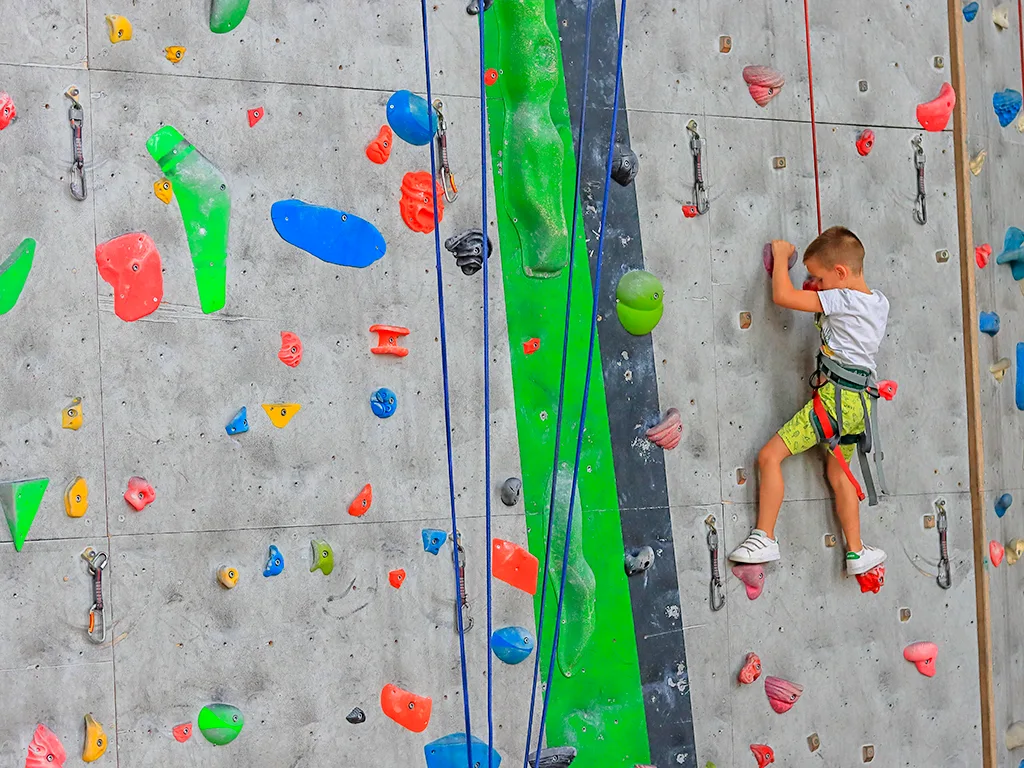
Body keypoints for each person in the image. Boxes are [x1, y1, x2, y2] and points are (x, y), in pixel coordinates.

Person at [728, 228, 890, 576]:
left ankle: (764, 536)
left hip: (834, 403)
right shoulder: (878, 302)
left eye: (818, 276)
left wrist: (782, 255)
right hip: (859, 406)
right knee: (839, 474)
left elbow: (784, 296)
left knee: (769, 456)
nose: (814, 281)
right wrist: (821, 286)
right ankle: (856, 551)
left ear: (841, 274)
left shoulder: (843, 299)